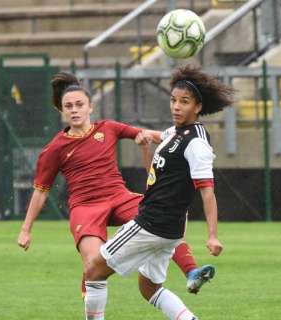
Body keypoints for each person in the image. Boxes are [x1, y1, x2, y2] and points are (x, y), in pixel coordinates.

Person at [16, 72, 215, 298]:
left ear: (90, 107)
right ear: (62, 111)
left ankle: (192, 271)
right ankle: (90, 280)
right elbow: (41, 191)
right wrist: (26, 229)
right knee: (93, 266)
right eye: (68, 106)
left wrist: (182, 139)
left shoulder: (108, 128)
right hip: (86, 207)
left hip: (118, 197)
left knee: (162, 214)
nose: (74, 109)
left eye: (79, 104)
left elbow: (150, 135)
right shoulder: (54, 149)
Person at [82, 64, 234, 320]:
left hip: (151, 224)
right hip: (169, 230)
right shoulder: (176, 133)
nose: (176, 106)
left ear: (198, 107)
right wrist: (144, 143)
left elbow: (207, 191)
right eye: (173, 100)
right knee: (149, 287)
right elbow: (155, 173)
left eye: (184, 102)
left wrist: (212, 235)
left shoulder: (196, 143)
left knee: (94, 271)